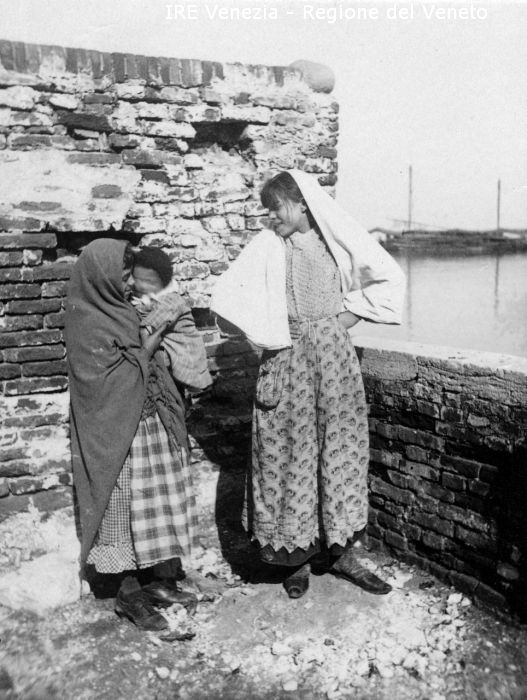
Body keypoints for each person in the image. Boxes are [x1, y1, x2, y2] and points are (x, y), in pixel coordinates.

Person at [211, 169, 405, 598]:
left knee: (338, 450)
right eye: (267, 210)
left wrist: (340, 321)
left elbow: (387, 276)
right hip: (286, 361)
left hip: (334, 363)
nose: (271, 217)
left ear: (301, 204)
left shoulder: (335, 241)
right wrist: (270, 331)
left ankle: (340, 554)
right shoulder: (268, 245)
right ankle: (294, 558)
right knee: (287, 453)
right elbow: (227, 298)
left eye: (276, 208)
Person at [65, 238, 201, 631]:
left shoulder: (123, 309)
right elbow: (119, 372)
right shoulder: (87, 319)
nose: (129, 284)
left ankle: (159, 580)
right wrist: (157, 334)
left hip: (148, 420)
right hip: (115, 432)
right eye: (123, 275)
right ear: (102, 277)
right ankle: (127, 593)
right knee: (123, 505)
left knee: (155, 502)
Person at [131, 246, 212, 394]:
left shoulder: (171, 301)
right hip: (170, 355)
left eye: (149, 282)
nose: (141, 285)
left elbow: (147, 328)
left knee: (179, 392)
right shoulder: (146, 296)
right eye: (137, 279)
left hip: (185, 352)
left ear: (163, 282)